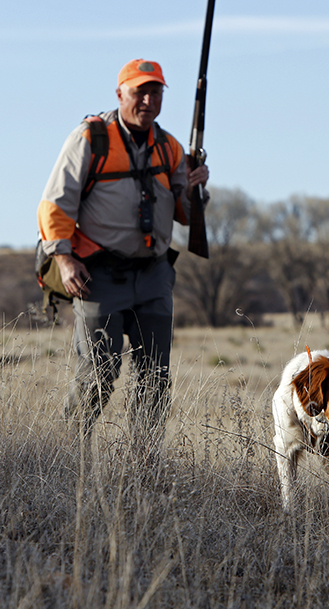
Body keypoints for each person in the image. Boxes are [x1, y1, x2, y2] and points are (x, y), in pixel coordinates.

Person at [37, 59, 209, 438]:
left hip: (154, 274)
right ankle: (67, 456)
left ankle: (145, 466)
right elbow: (54, 204)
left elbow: (184, 214)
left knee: (155, 377)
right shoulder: (90, 138)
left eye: (156, 92)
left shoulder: (171, 148)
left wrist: (197, 187)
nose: (148, 100)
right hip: (98, 274)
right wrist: (64, 259)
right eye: (139, 91)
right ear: (120, 94)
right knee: (99, 372)